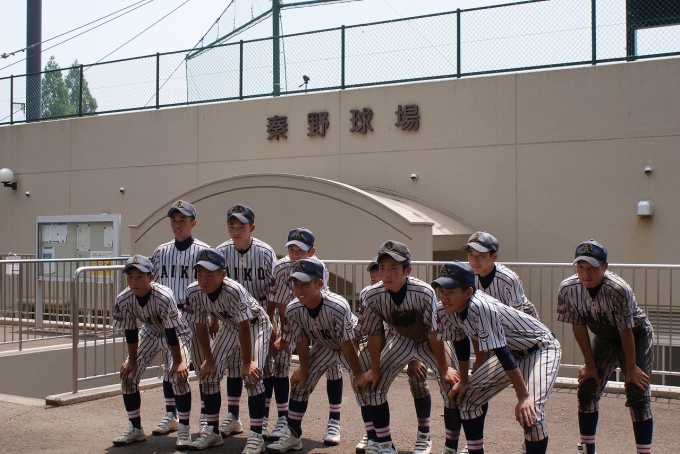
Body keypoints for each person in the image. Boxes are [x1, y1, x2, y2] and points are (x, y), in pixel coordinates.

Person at [434, 261, 561, 454]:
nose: (444, 297)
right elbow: (460, 342)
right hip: (512, 352)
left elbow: (501, 352)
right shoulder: (444, 309)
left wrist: (523, 396)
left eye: (450, 292)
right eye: (442, 291)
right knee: (467, 399)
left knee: (531, 413)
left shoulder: (481, 306)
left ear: (468, 292)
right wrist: (464, 381)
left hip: (540, 349)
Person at [360, 241, 460, 454]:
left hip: (430, 340)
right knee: (373, 386)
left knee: (451, 386)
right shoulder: (371, 294)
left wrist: (443, 369)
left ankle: (443, 445)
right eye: (382, 268)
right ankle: (385, 445)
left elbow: (434, 332)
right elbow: (375, 334)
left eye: (393, 268)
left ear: (407, 270)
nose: (387, 274)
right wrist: (375, 369)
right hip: (401, 339)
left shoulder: (424, 291)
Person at [557, 240, 654, 454]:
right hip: (604, 336)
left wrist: (631, 369)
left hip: (635, 335)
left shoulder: (618, 289)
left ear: (605, 267)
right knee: (588, 386)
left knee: (637, 392)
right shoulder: (568, 288)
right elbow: (578, 327)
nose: (586, 274)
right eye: (581, 267)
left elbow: (626, 331)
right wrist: (589, 364)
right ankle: (587, 449)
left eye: (592, 268)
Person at [265, 258, 366, 453]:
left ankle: (374, 435)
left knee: (365, 386)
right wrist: (303, 370)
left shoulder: (338, 305)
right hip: (325, 345)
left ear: (320, 283)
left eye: (305, 284)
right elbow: (301, 340)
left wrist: (358, 374)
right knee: (300, 384)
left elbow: (347, 343)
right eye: (296, 284)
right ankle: (293, 435)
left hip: (353, 344)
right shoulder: (293, 308)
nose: (299, 289)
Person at [184, 248, 272, 453]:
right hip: (230, 326)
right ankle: (212, 431)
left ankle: (256, 436)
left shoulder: (234, 290)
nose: (203, 280)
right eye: (199, 274)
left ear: (222, 274)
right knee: (209, 375)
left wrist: (247, 362)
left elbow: (245, 327)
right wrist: (209, 360)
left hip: (256, 325)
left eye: (209, 275)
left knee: (252, 376)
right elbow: (200, 327)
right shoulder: (193, 291)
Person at [460, 231, 538, 454]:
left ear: (494, 257)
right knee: (478, 389)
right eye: (471, 254)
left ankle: (530, 442)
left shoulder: (508, 278)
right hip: (494, 338)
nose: (475, 260)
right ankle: (475, 442)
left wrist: (494, 354)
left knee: (528, 395)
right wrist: (480, 356)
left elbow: (517, 320)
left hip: (525, 339)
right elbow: (473, 321)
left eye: (481, 256)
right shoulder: (469, 277)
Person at [267, 227, 344, 445]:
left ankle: (334, 420)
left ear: (312, 251)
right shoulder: (281, 267)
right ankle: (283, 418)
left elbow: (317, 303)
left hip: (320, 322)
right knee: (281, 362)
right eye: (291, 249)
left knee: (333, 365)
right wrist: (274, 326)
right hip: (290, 322)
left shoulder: (318, 268)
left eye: (300, 250)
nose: (295, 254)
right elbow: (275, 299)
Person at [111, 255, 193, 449]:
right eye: (130, 277)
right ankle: (135, 428)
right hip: (149, 333)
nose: (134, 282)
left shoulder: (164, 295)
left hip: (177, 334)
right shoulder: (124, 298)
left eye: (139, 277)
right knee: (128, 376)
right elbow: (130, 331)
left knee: (178, 376)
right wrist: (132, 361)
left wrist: (178, 362)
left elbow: (171, 332)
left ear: (151, 277)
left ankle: (183, 428)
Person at [150, 200, 212, 438]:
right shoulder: (160, 252)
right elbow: (153, 285)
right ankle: (171, 414)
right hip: (169, 317)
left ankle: (206, 414)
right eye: (174, 221)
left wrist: (212, 318)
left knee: (203, 366)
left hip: (196, 315)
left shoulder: (204, 252)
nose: (177, 225)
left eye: (182, 220)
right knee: (171, 367)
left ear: (193, 223)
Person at [215, 204, 278, 438]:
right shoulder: (220, 252)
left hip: (259, 316)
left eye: (241, 226)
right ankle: (233, 416)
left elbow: (273, 290)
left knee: (259, 369)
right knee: (233, 366)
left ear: (252, 227)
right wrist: (214, 319)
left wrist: (270, 321)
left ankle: (262, 420)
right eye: (232, 226)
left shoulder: (265, 251)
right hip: (231, 318)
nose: (236, 231)